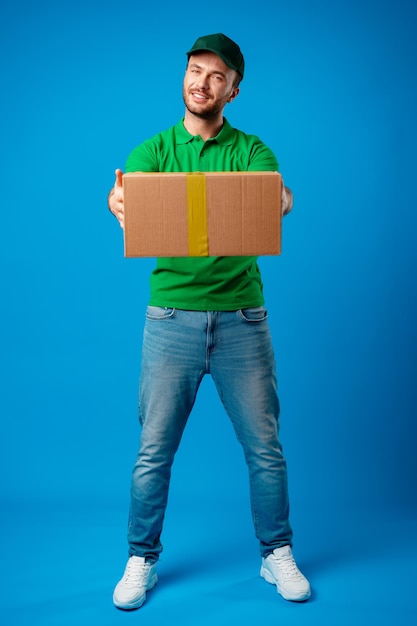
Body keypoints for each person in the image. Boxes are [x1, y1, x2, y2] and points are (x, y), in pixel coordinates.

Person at [108, 33, 311, 610]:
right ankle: (140, 558)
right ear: (184, 78)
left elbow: (274, 194)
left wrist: (284, 199)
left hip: (242, 321)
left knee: (265, 447)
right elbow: (129, 198)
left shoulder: (252, 151)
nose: (202, 82)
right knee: (154, 449)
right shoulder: (154, 150)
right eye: (195, 71)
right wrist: (116, 201)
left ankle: (277, 553)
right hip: (170, 317)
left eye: (216, 75)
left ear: (233, 90)